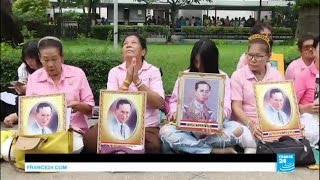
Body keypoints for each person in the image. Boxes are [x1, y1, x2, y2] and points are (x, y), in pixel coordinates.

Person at [83, 33, 164, 154]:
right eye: (125, 44)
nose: (128, 45)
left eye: (133, 43)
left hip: (145, 126)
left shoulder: (153, 71)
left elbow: (159, 103)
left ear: (143, 52)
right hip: (115, 124)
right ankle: (123, 148)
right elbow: (110, 104)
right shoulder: (114, 72)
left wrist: (137, 81)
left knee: (154, 146)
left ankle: (119, 148)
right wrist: (127, 81)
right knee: (90, 139)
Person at [160, 38, 244, 154]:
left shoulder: (223, 77)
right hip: (187, 130)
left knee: (238, 129)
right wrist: (174, 113)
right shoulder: (185, 76)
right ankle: (212, 150)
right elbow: (174, 101)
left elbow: (226, 109)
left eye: (202, 63)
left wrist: (214, 122)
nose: (199, 66)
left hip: (213, 131)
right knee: (165, 132)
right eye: (195, 62)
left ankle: (190, 146)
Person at [26, 36, 95, 153]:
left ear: (62, 57)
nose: (50, 64)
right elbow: (28, 112)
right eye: (46, 60)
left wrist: (77, 105)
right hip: (42, 132)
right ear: (40, 59)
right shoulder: (33, 78)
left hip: (72, 131)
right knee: (11, 150)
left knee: (75, 147)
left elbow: (90, 109)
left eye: (54, 59)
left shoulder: (78, 74)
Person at [231, 34, 284, 153]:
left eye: (258, 56)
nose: (252, 59)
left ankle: (257, 147)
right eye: (250, 55)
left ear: (268, 57)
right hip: (246, 125)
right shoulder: (238, 76)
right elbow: (236, 107)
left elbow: (282, 102)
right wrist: (251, 124)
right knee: (238, 132)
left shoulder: (276, 75)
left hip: (270, 124)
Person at [2, 40, 42, 127]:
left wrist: (31, 87)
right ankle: (17, 115)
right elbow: (22, 87)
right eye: (26, 59)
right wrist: (21, 88)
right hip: (26, 97)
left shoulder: (47, 65)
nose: (29, 62)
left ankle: (17, 116)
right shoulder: (23, 68)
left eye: (31, 58)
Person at [294, 35, 319, 147]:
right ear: (314, 51)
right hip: (309, 117)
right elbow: (290, 106)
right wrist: (304, 108)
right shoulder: (303, 75)